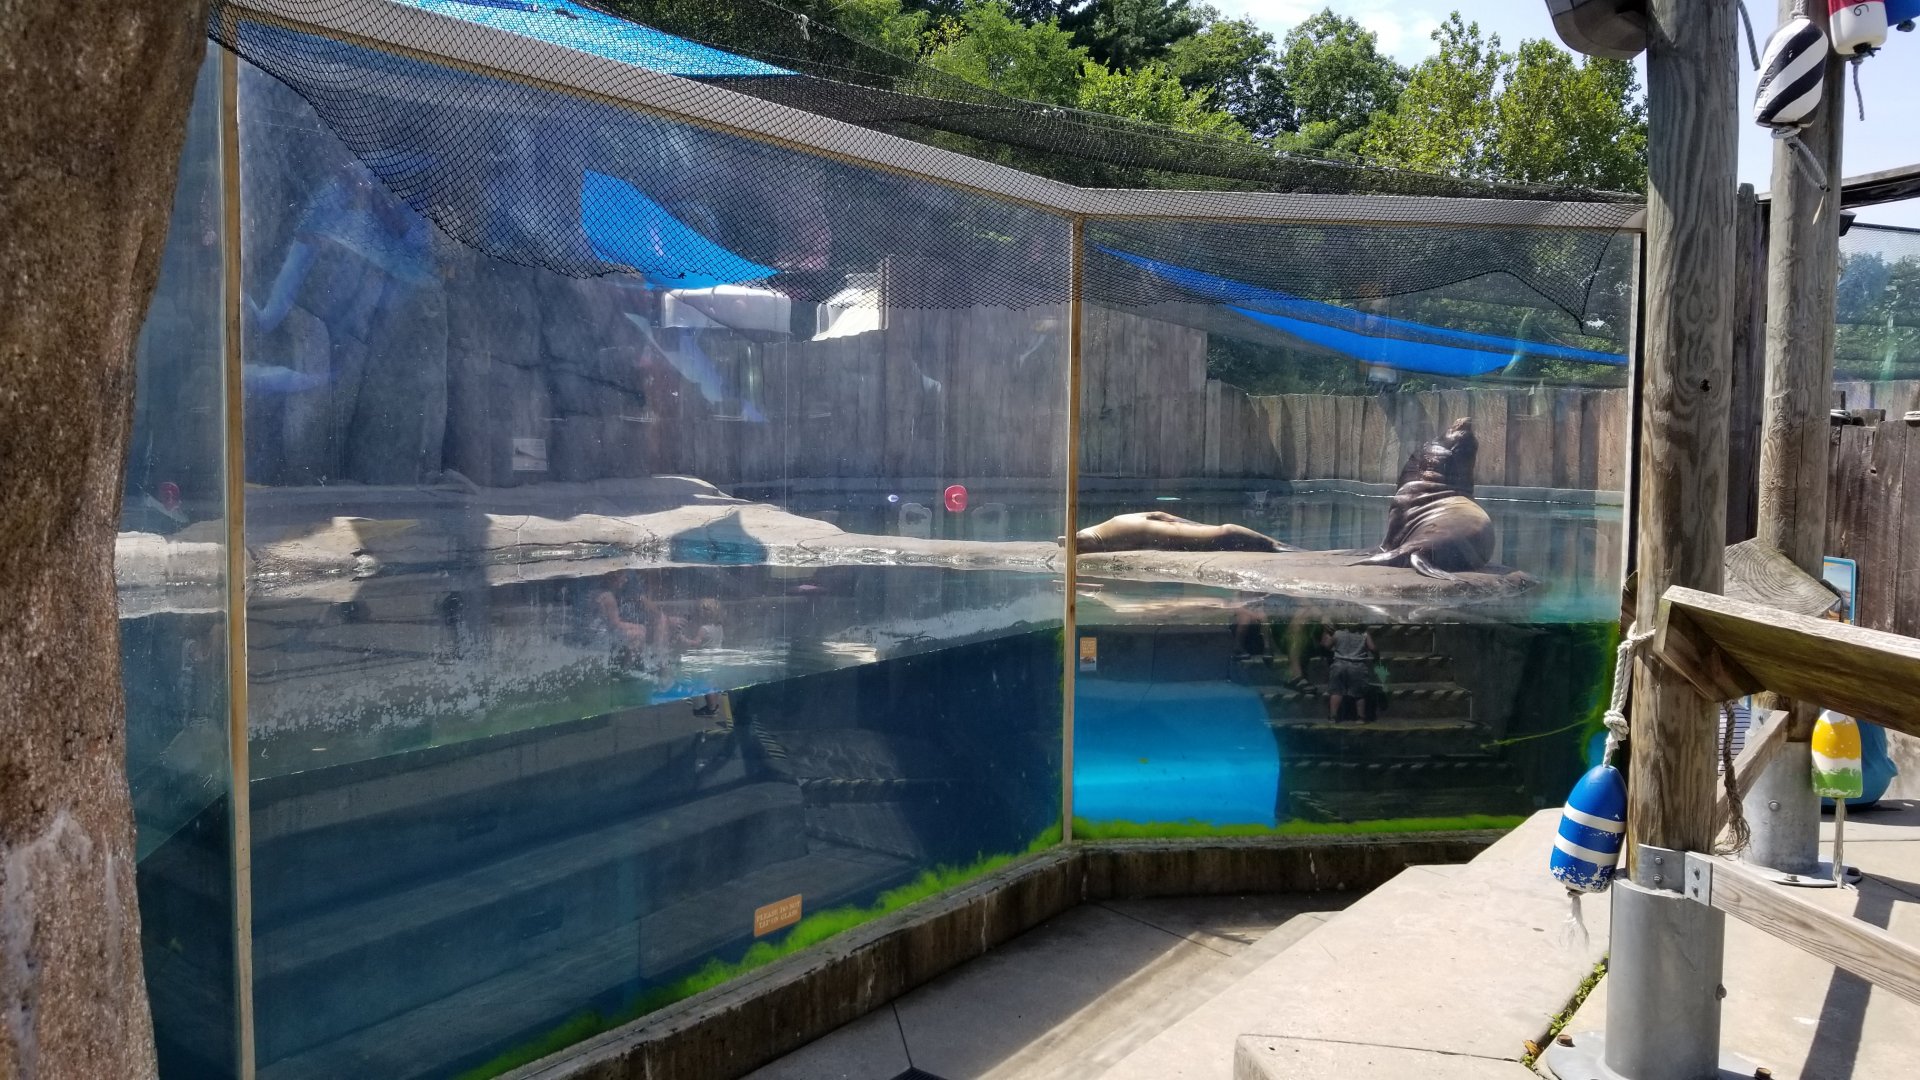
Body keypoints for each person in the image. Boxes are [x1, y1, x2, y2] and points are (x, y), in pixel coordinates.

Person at [678, 598, 727, 717]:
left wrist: (682, 638)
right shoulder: (719, 626)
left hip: (707, 660)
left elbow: (695, 643)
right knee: (712, 682)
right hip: (718, 658)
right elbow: (721, 640)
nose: (701, 612)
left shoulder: (704, 629)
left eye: (705, 610)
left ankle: (711, 709)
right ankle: (714, 706)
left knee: (706, 685)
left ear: (711, 613)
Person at [1322, 625, 1378, 723]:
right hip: (1357, 666)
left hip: (1339, 664)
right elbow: (1372, 648)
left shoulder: (1337, 633)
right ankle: (1360, 717)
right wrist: (1377, 656)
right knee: (1359, 693)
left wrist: (1325, 633)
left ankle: (1333, 716)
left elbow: (1327, 645)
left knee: (1336, 692)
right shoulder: (1364, 634)